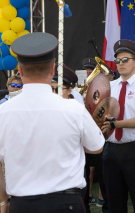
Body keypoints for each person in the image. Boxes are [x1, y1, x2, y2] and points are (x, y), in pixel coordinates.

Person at [0, 32, 105, 213]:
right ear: (52, 69)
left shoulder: (3, 112)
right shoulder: (73, 109)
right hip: (66, 203)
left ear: (21, 70)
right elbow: (97, 147)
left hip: (22, 204)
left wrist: (3, 201)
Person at [100, 39, 135, 213]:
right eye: (118, 61)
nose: (121, 64)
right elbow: (103, 115)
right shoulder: (110, 86)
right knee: (114, 204)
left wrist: (115, 123)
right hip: (112, 150)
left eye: (125, 60)